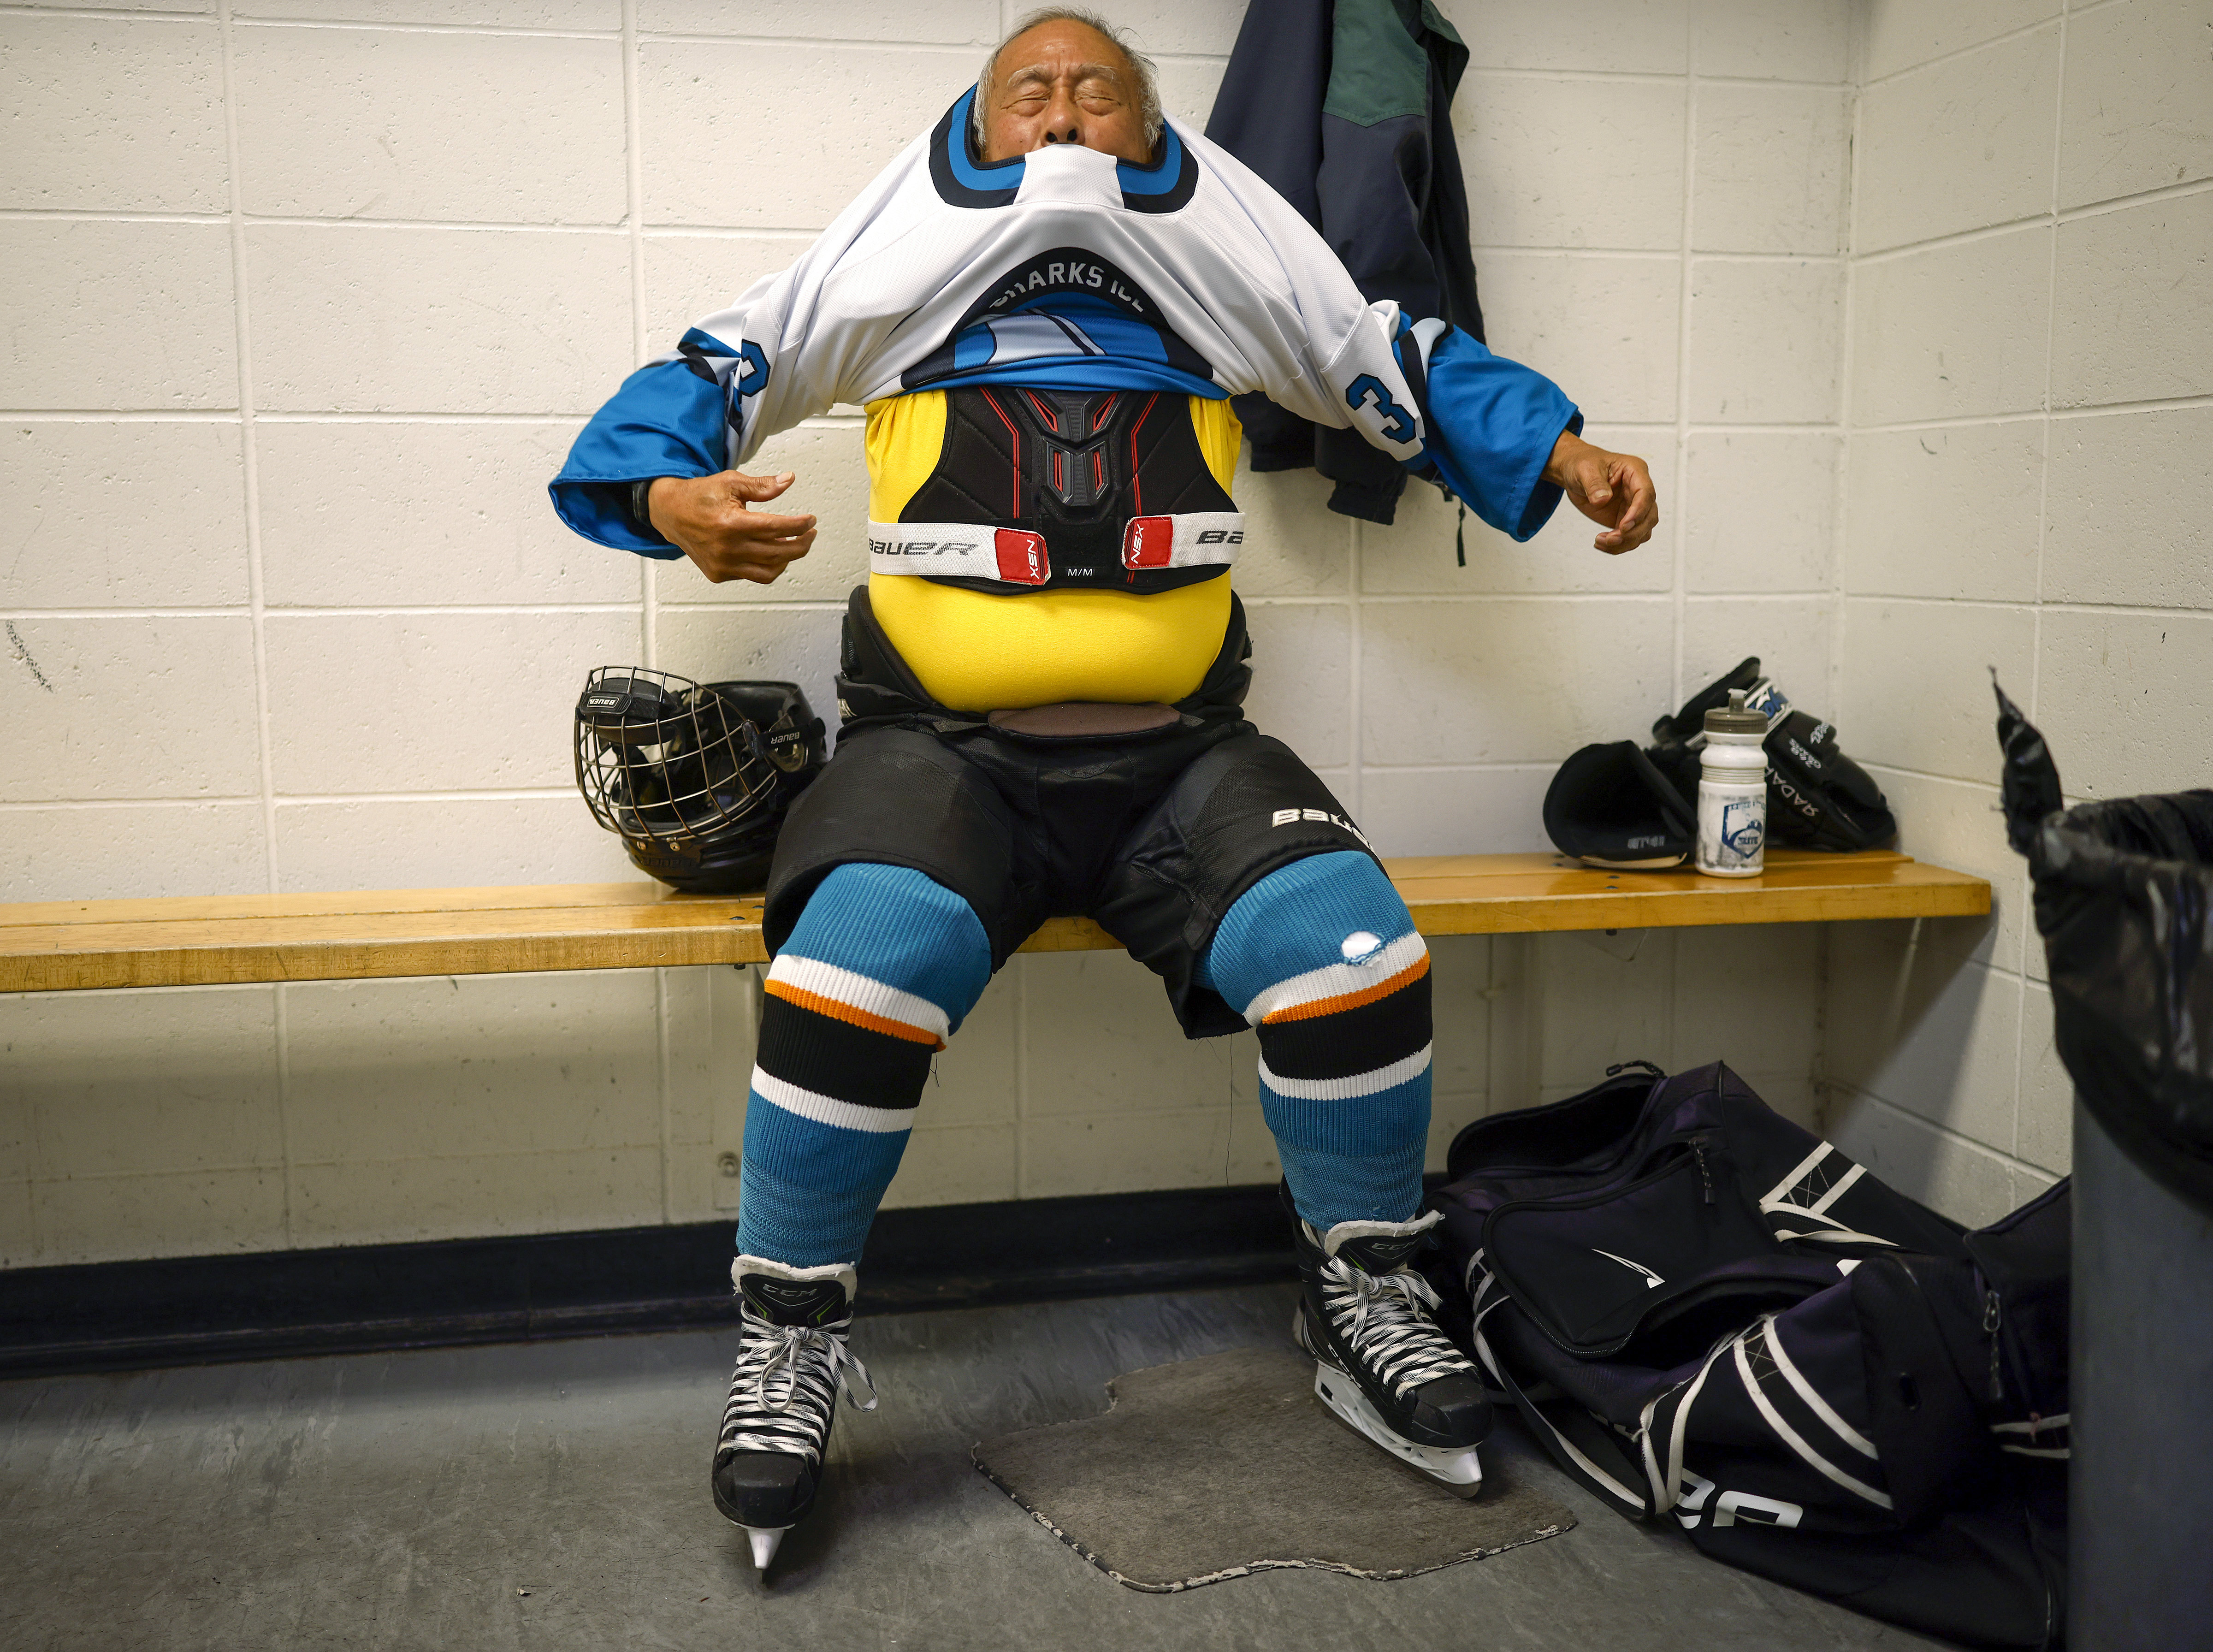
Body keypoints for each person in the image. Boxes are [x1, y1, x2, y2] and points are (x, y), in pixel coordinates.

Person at [550, 6, 1657, 1570]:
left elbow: (1392, 356)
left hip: (1179, 754)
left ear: (1154, 127)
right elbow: (716, 370)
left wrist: (1561, 453)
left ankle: (1362, 1294)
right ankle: (789, 1341)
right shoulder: (883, 263)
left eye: (1098, 91)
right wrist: (668, 495)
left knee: (1357, 952)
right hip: (938, 750)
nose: (1063, 119)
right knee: (854, 966)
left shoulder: (1233, 263)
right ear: (974, 121)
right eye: (1030, 94)